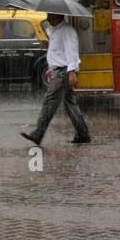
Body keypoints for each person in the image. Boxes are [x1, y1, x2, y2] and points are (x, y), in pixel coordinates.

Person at [21, 12, 91, 145]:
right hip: (60, 71)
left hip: (63, 73)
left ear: (58, 16)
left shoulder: (67, 31)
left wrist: (72, 72)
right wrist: (48, 46)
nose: (47, 18)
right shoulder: (56, 30)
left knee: (49, 102)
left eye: (50, 15)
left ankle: (38, 134)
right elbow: (60, 51)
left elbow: (72, 52)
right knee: (70, 104)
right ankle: (83, 134)